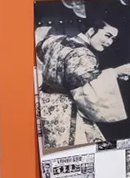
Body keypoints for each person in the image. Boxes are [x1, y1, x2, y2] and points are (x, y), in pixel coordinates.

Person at [33, 8, 122, 152]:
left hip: (44, 103)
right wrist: (115, 73)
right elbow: (88, 89)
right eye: (107, 35)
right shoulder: (84, 54)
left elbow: (39, 51)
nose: (109, 42)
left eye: (112, 38)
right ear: (92, 30)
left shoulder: (55, 40)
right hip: (66, 110)